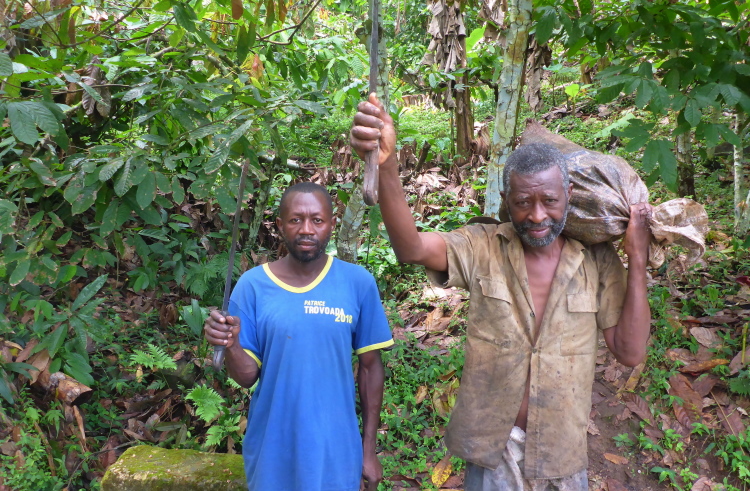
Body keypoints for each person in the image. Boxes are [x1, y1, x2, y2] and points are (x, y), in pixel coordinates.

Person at [349, 94, 652, 491]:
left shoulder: (597, 260)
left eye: (550, 201)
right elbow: (412, 249)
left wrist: (637, 259)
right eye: (524, 202)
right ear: (507, 200)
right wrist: (387, 165)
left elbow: (630, 352)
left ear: (569, 195)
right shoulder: (483, 246)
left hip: (561, 451)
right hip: (494, 449)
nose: (537, 215)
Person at [204, 182, 394, 491]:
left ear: (332, 224)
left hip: (336, 449)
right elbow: (247, 378)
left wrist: (368, 450)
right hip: (272, 449)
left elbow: (371, 368)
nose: (306, 229)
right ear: (280, 225)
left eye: (317, 220)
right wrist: (230, 343)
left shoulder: (357, 283)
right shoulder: (252, 286)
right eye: (295, 220)